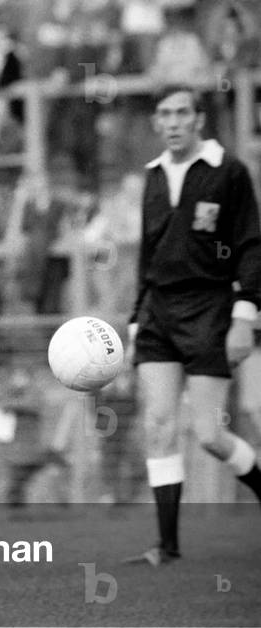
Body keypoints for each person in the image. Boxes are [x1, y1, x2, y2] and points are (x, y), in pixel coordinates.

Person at [126, 85, 261, 566]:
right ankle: (167, 546)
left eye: (183, 112)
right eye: (164, 114)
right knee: (159, 423)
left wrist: (246, 315)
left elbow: (250, 245)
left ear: (199, 119)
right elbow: (148, 251)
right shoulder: (152, 176)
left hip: (210, 309)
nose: (174, 121)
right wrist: (135, 319)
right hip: (159, 312)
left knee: (208, 434)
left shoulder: (229, 172)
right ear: (156, 124)